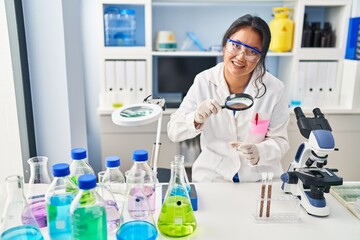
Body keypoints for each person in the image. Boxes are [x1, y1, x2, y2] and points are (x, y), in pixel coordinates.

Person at [167, 14, 290, 182]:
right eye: (236, 45)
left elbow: (280, 141)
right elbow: (174, 131)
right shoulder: (204, 81)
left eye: (252, 52)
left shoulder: (274, 89)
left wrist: (259, 152)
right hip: (213, 176)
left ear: (260, 57)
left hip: (259, 178)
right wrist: (196, 118)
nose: (240, 56)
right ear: (225, 45)